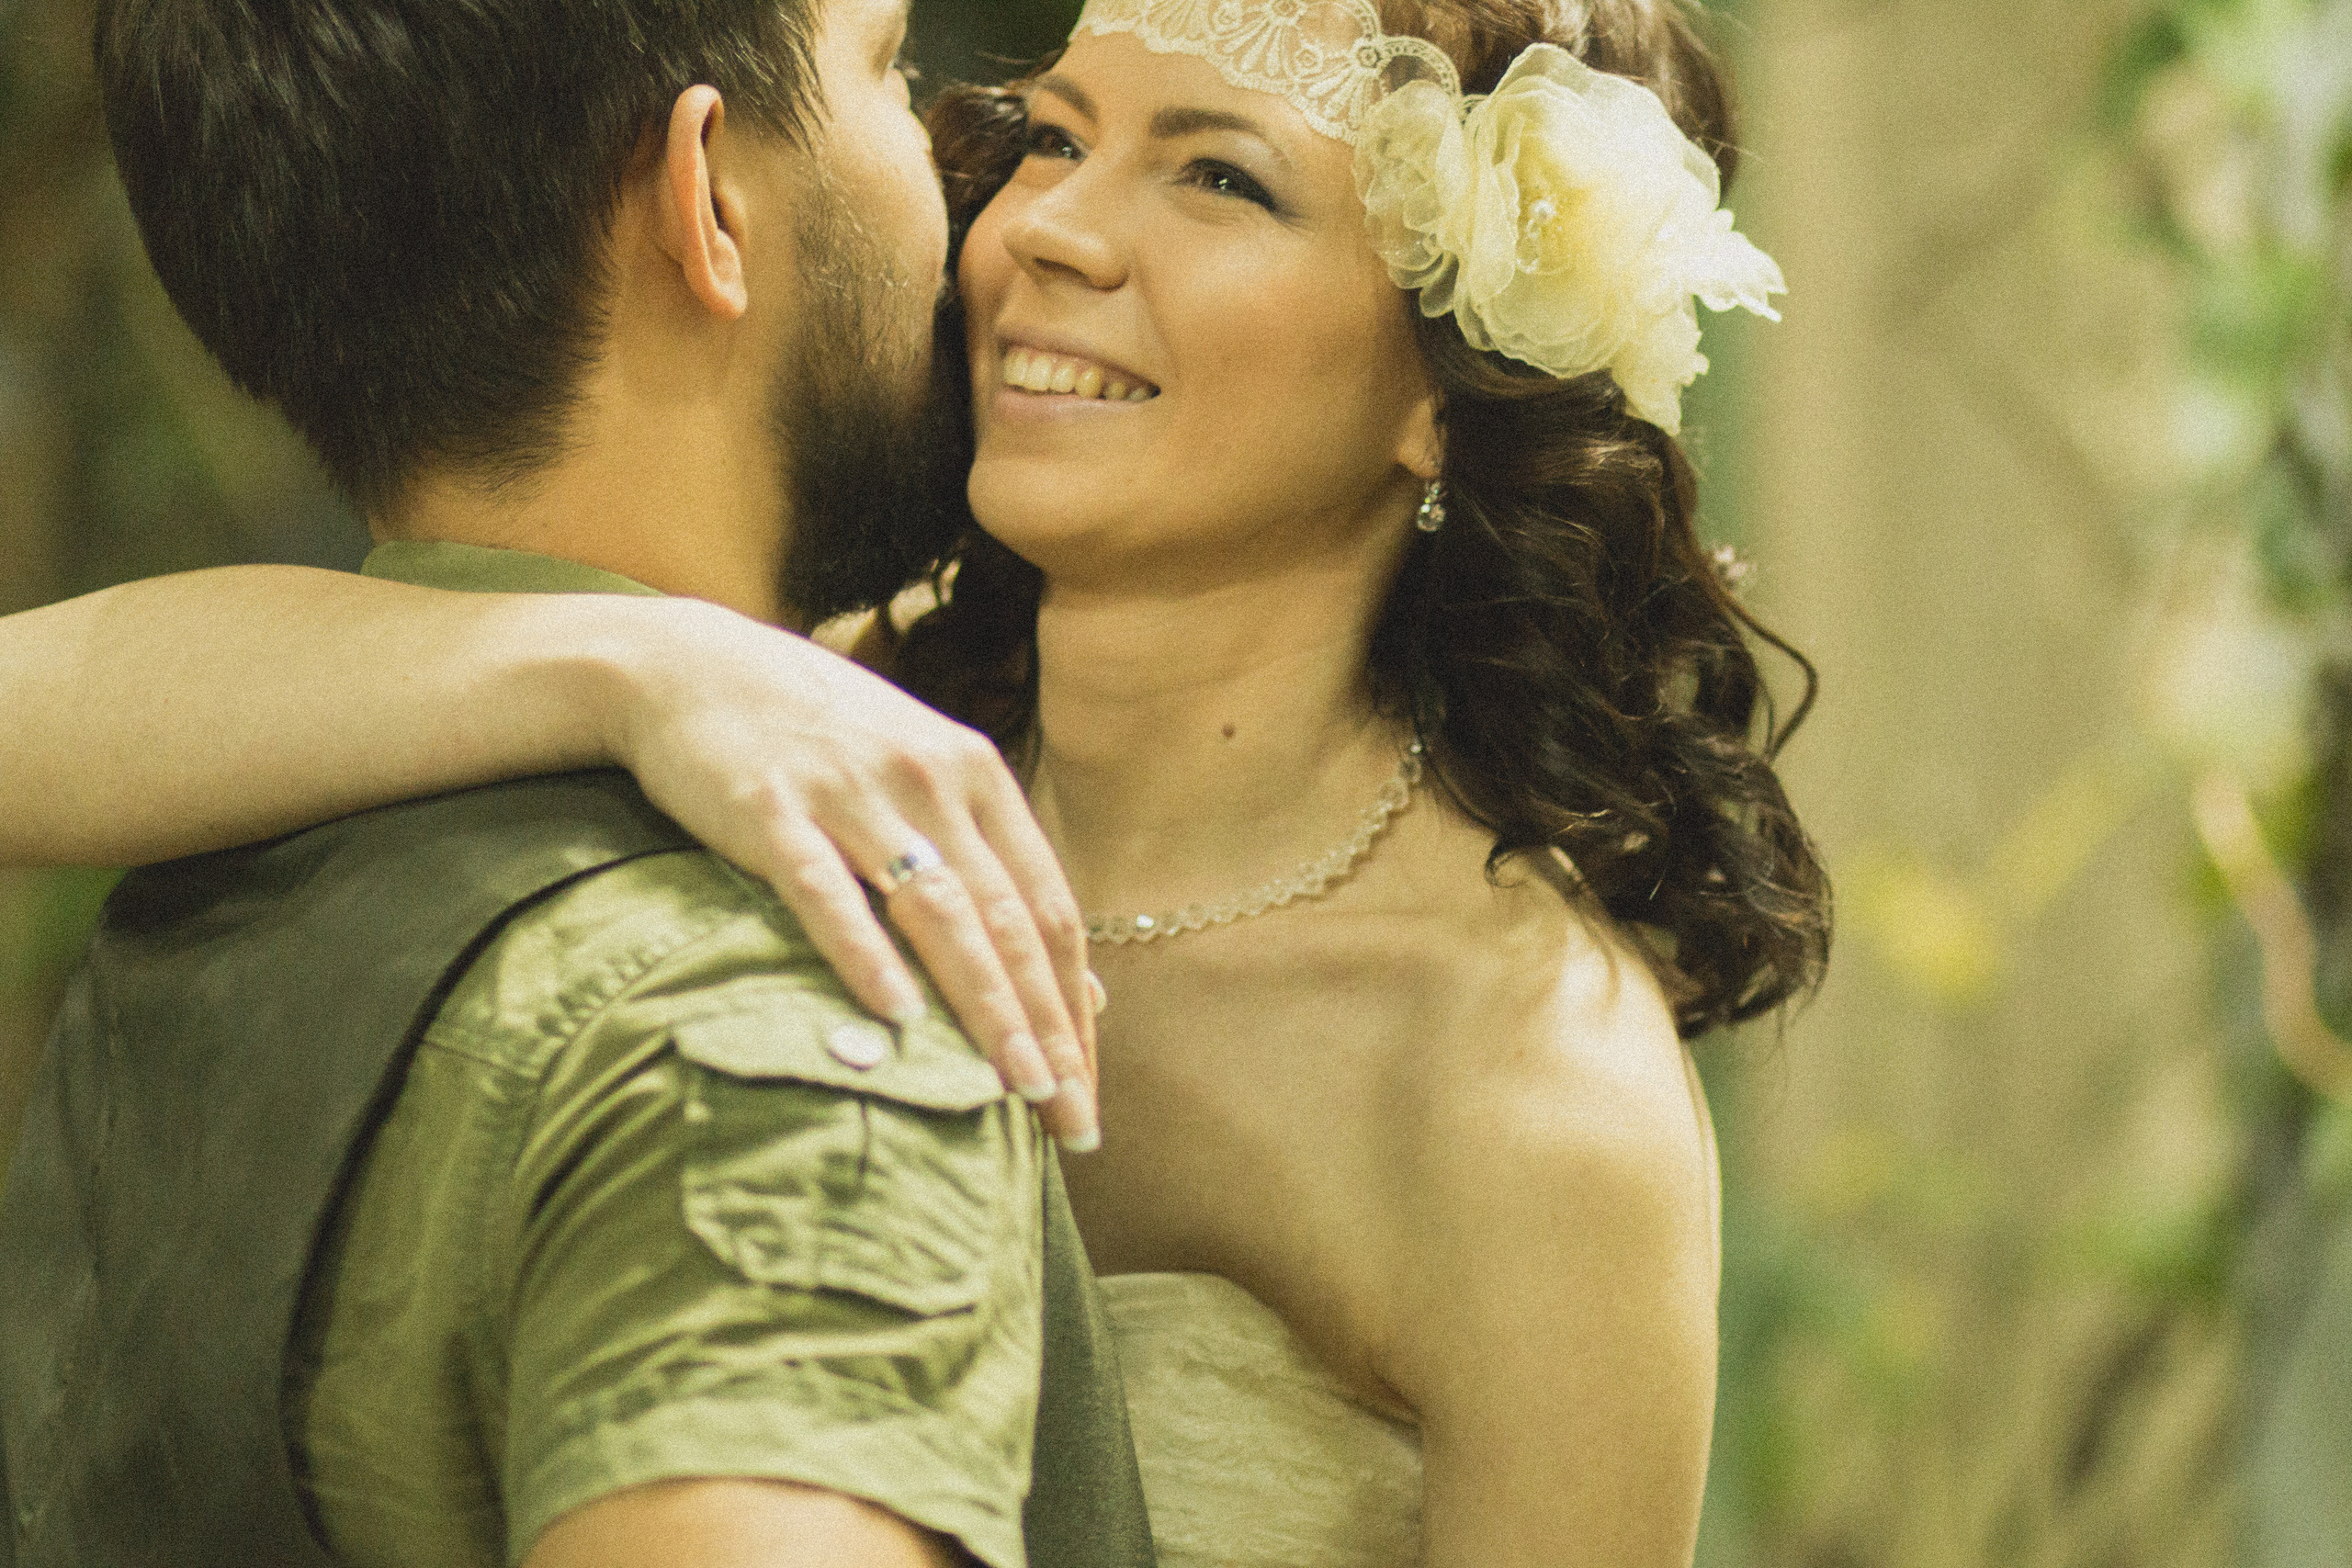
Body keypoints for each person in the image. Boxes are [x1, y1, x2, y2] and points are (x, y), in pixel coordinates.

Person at [0, 0, 1833, 1563]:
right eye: (1047, 136)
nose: (1046, 229)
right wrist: (644, 662)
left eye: (1217, 175)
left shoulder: (1522, 1070)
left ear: (1448, 380)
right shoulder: (797, 717)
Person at [0, 2, 1154, 1567]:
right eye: (885, 69)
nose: (981, 191)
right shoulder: (781, 1038)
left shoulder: (202, 845)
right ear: (708, 201)